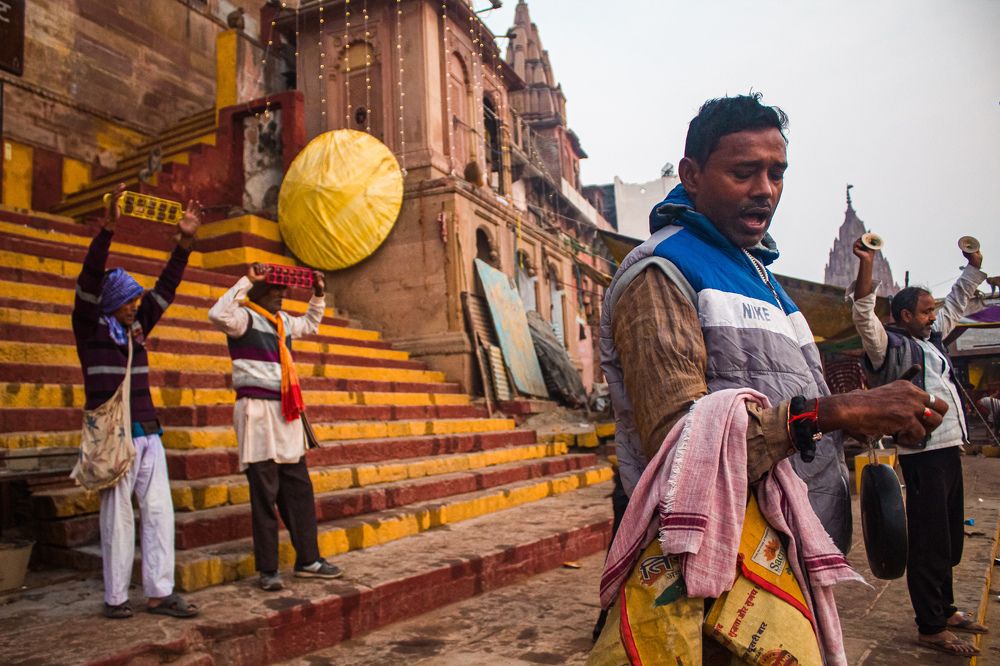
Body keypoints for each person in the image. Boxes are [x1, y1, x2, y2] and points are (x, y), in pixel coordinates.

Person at [597, 94, 947, 662]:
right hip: (719, 576)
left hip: (791, 562)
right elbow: (681, 447)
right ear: (691, 175)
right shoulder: (660, 274)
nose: (765, 189)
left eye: (776, 173)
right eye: (744, 172)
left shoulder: (769, 284)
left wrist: (869, 420)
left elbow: (797, 403)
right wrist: (838, 411)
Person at [852, 237, 988, 656]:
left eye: (933, 311)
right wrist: (867, 263)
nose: (932, 316)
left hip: (949, 450)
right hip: (922, 453)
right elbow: (862, 312)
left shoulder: (934, 339)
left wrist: (973, 267)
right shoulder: (888, 345)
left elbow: (956, 304)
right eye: (924, 311)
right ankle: (930, 626)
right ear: (904, 315)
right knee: (929, 541)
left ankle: (945, 608)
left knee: (948, 537)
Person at [74, 184, 201, 619]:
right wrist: (107, 230)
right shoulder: (89, 329)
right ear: (111, 305)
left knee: (159, 512)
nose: (137, 305)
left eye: (137, 300)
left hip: (149, 432)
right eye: (129, 300)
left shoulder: (138, 328)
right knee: (117, 520)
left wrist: (184, 244)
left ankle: (159, 592)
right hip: (115, 436)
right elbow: (89, 283)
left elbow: (166, 288)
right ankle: (115, 598)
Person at [208, 262, 343, 591]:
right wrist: (247, 281)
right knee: (264, 493)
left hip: (286, 412)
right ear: (259, 292)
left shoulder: (283, 321)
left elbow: (310, 323)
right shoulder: (242, 319)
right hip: (256, 412)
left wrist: (318, 294)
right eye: (274, 290)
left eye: (282, 290)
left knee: (298, 486)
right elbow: (217, 314)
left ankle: (308, 559)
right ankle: (268, 569)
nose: (281, 295)